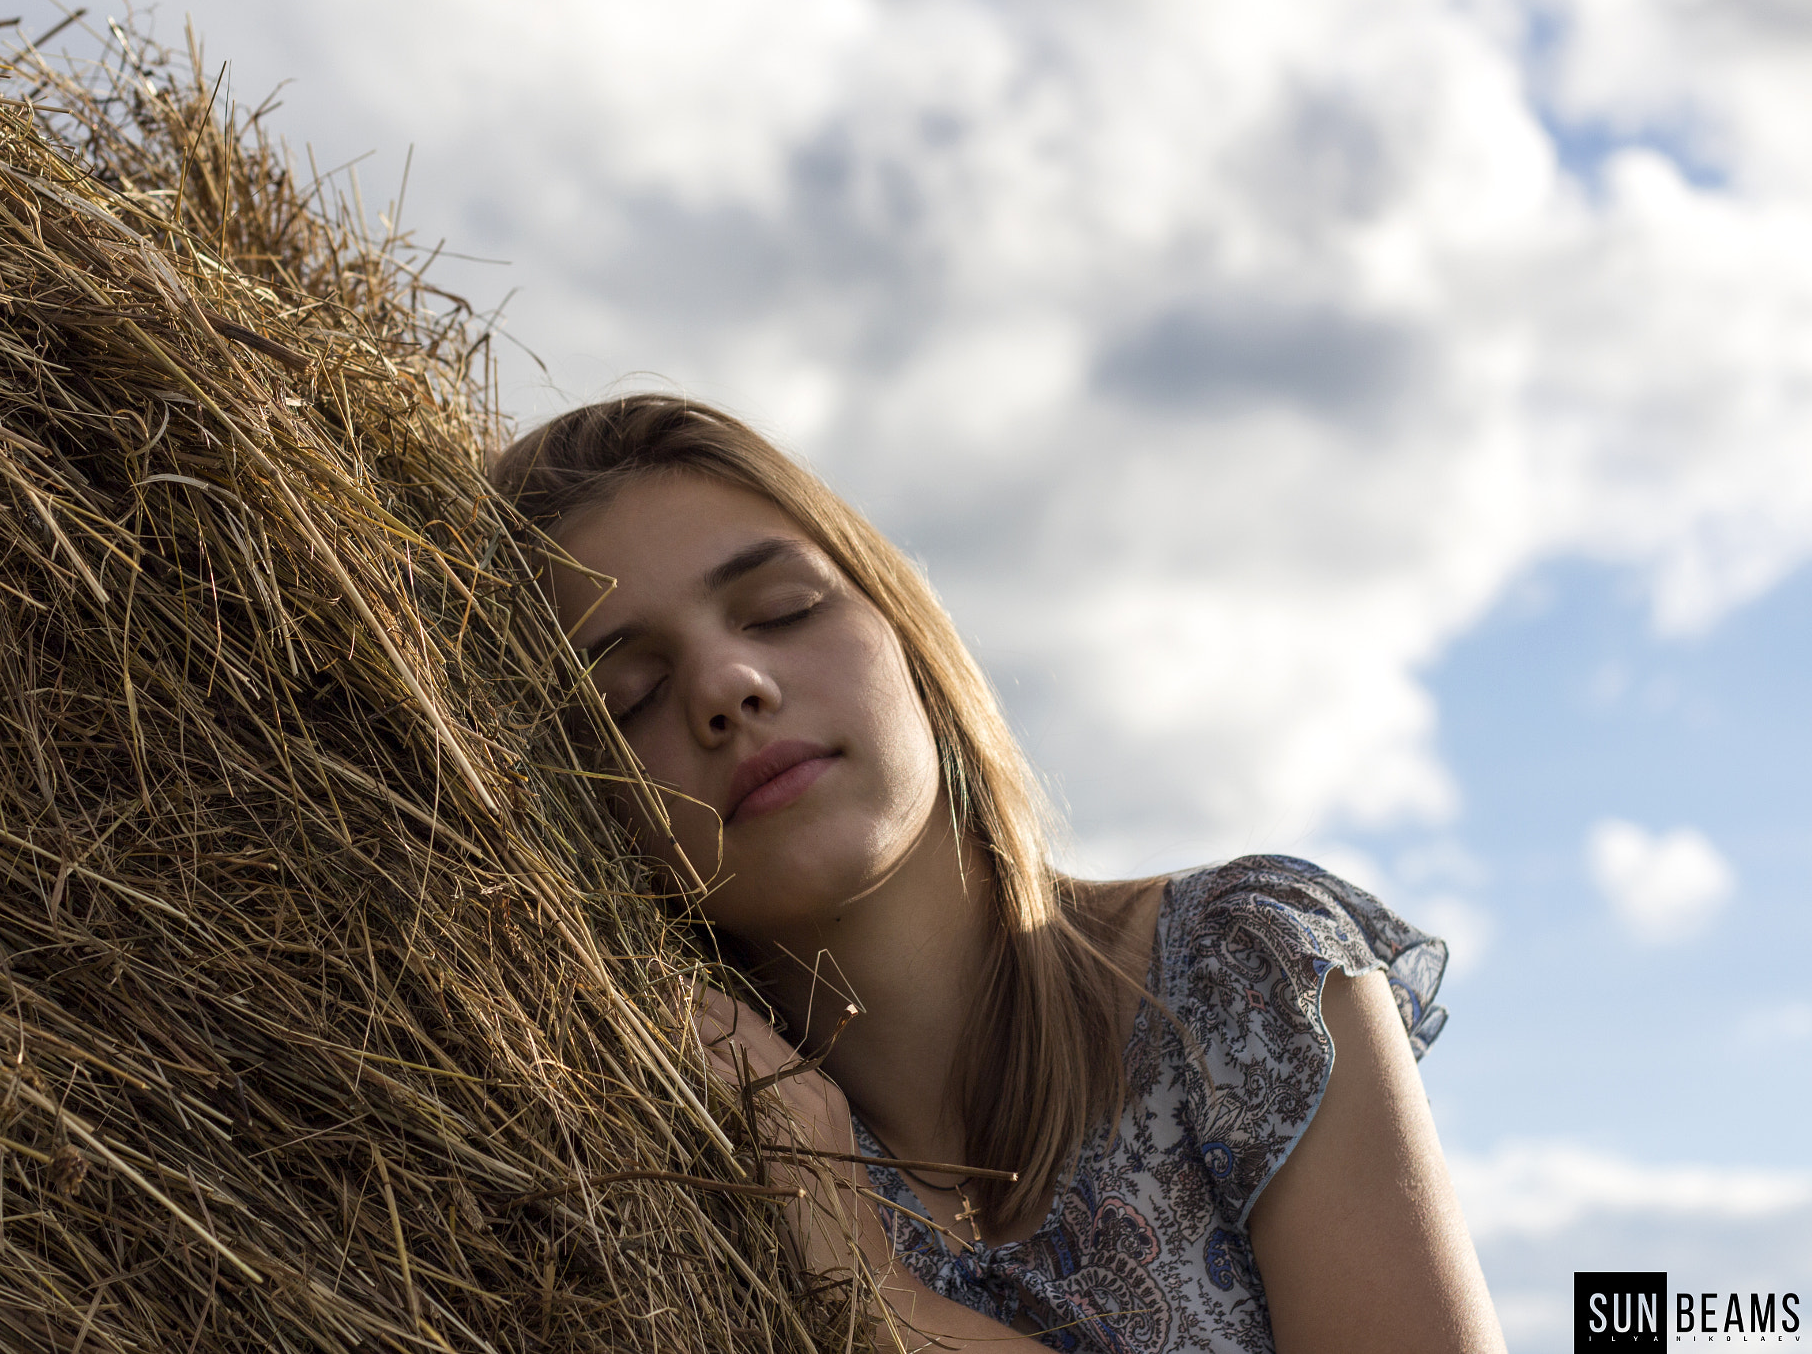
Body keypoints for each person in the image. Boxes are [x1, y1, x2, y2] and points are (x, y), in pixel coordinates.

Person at [490, 395, 1508, 1354]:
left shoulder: (1240, 977)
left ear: (903, 629)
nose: (726, 685)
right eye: (631, 695)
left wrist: (875, 1297)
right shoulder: (667, 1150)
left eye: (782, 609)